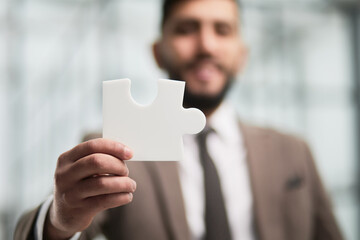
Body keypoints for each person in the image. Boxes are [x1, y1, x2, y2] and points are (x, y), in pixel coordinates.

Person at [15, 0, 343, 239]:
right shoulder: (115, 144)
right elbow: (46, 229)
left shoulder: (293, 151)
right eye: (187, 29)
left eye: (223, 30)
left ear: (242, 55)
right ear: (158, 52)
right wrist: (58, 220)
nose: (206, 45)